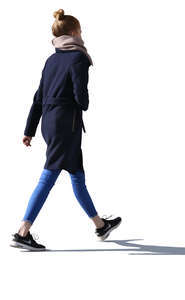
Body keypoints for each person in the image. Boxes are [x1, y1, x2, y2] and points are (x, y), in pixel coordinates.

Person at [10, 9, 122, 251]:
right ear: (73, 33)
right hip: (67, 125)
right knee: (48, 176)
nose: (82, 34)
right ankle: (22, 231)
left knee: (77, 175)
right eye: (80, 30)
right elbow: (80, 97)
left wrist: (29, 129)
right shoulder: (79, 58)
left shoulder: (51, 60)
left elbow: (38, 97)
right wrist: (83, 103)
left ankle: (100, 225)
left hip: (49, 124)